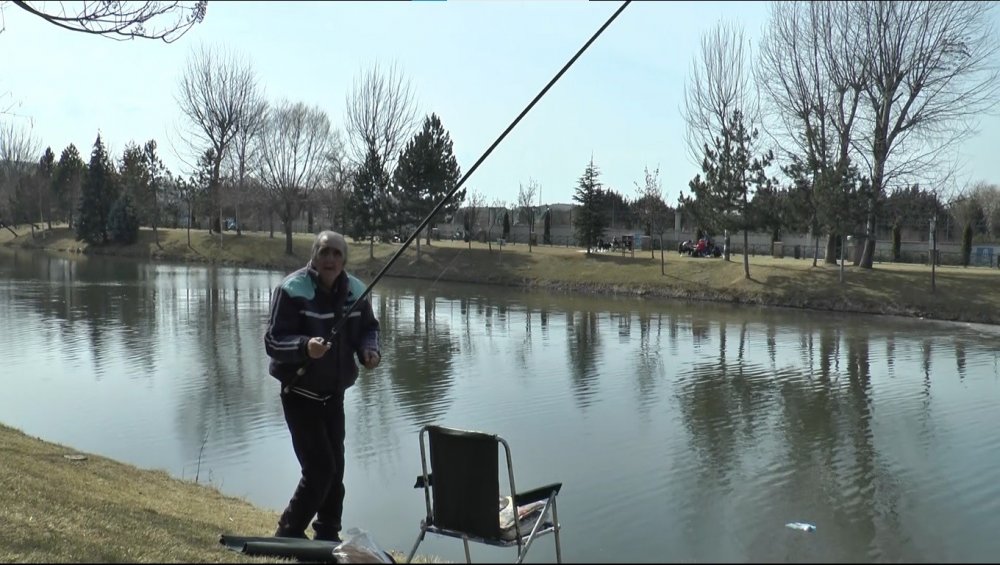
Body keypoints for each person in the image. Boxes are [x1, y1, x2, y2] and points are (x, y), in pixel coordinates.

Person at [264, 230, 382, 542]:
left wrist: (369, 352)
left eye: (336, 254)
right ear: (314, 256)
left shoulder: (356, 290)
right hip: (299, 394)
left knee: (336, 471)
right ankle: (288, 531)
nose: (330, 259)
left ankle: (328, 533)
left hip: (334, 396)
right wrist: (305, 346)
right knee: (319, 470)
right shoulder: (292, 289)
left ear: (344, 260)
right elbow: (273, 340)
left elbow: (368, 328)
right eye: (324, 252)